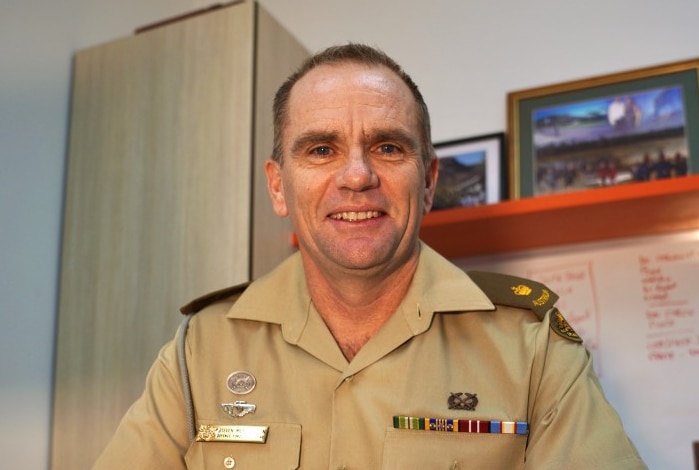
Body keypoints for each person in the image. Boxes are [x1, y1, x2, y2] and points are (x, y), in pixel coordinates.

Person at [94, 43, 646, 469]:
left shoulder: (531, 345)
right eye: (321, 150)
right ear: (278, 187)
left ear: (428, 181)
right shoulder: (202, 349)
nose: (357, 175)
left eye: (388, 147)